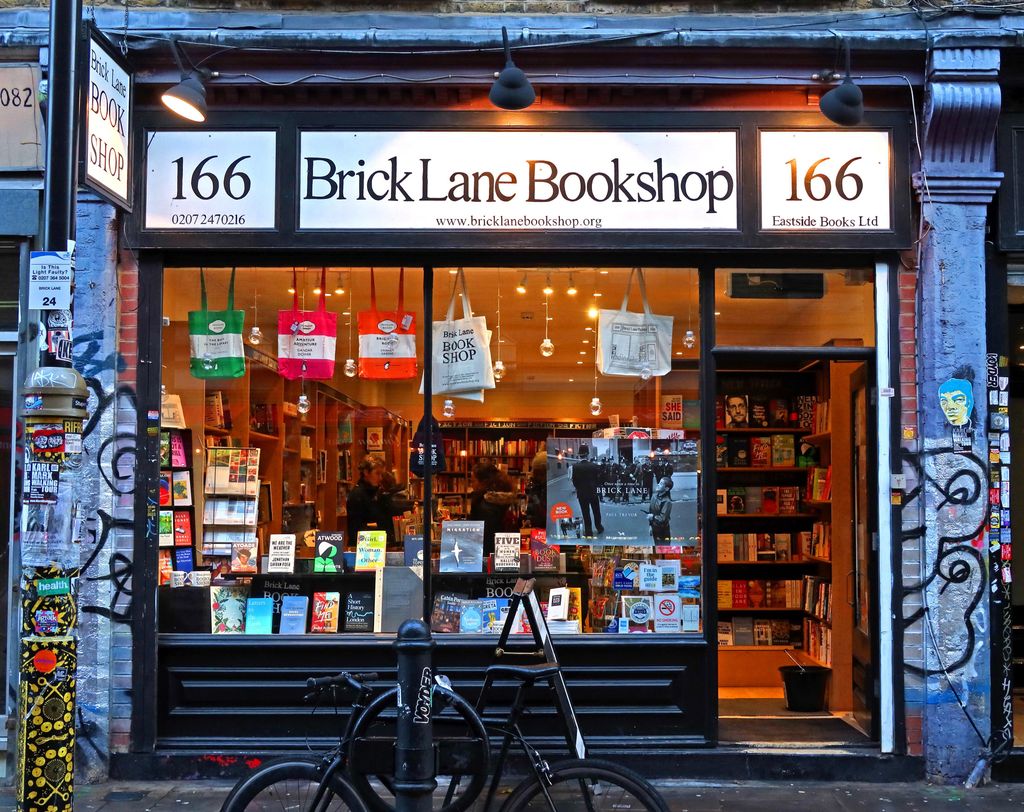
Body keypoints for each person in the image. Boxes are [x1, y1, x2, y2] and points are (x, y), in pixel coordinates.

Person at [347, 455, 405, 548]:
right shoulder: (357, 495)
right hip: (365, 548)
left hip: (378, 545)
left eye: (381, 474)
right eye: (377, 473)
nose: (380, 478)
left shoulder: (377, 492)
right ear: (366, 472)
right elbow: (356, 529)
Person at [468, 462, 518, 556]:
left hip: (485, 556)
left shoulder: (482, 504)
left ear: (482, 482)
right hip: (508, 554)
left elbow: (478, 535)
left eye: (473, 481)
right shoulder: (510, 500)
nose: (472, 485)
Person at [571, 444, 604, 537]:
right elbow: (599, 481)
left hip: (582, 494)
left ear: (579, 455)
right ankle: (599, 527)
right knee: (596, 511)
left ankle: (588, 531)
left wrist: (579, 488)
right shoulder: (594, 466)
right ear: (587, 455)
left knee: (585, 513)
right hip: (593, 493)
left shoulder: (575, 467)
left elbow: (574, 482)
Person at [524, 450, 548, 529]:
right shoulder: (535, 486)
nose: (535, 475)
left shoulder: (549, 488)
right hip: (536, 530)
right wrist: (529, 520)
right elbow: (531, 507)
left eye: (539, 472)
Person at [647, 476, 673, 543]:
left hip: (663, 531)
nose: (658, 484)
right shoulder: (654, 496)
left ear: (666, 488)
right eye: (659, 482)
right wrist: (650, 526)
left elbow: (662, 518)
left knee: (664, 549)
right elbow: (650, 511)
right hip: (654, 528)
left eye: (661, 484)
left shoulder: (667, 502)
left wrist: (652, 517)